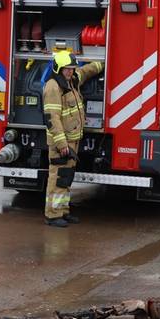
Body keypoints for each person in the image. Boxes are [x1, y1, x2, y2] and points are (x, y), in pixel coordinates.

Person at [42, 49, 105, 227]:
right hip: (61, 142)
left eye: (72, 68)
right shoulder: (53, 87)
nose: (71, 71)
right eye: (67, 69)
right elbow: (52, 119)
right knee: (57, 177)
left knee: (66, 177)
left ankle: (63, 211)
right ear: (59, 69)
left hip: (73, 138)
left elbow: (86, 71)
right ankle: (52, 215)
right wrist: (62, 144)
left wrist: (103, 63)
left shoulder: (71, 80)